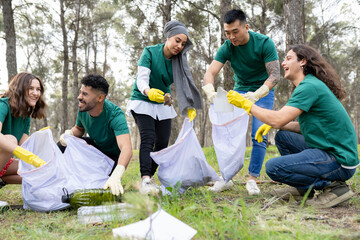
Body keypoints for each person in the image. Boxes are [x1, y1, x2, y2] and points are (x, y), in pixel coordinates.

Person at [227, 44, 359, 208]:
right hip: (330, 150)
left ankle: (334, 187)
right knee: (282, 136)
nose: (283, 63)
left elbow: (278, 119)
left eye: (288, 58)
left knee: (274, 168)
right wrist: (278, 126)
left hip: (339, 160)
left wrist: (247, 105)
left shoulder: (309, 87)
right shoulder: (308, 85)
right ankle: (303, 189)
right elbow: (306, 128)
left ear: (302, 61)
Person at [202, 9, 280, 194]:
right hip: (239, 90)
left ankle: (252, 179)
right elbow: (210, 72)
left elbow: (276, 74)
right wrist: (209, 90)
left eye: (235, 31)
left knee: (258, 134)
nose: (231, 37)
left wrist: (258, 93)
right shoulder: (228, 46)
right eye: (227, 33)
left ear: (246, 27)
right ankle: (225, 177)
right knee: (223, 129)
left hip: (262, 92)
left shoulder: (264, 43)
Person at [126, 20, 203, 194]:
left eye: (183, 43)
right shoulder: (150, 52)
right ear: (168, 37)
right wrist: (148, 91)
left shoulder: (179, 61)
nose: (179, 46)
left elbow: (184, 83)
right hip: (143, 99)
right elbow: (141, 78)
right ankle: (145, 178)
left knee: (162, 141)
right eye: (177, 40)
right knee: (148, 137)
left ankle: (149, 179)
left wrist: (189, 105)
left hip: (162, 102)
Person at [58, 74, 132, 196]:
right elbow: (79, 129)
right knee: (63, 145)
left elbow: (127, 148)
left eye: (85, 94)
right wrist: (70, 133)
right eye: (80, 92)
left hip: (111, 159)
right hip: (95, 151)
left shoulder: (115, 114)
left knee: (97, 185)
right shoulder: (83, 108)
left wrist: (117, 174)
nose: (79, 97)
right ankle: (58, 179)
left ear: (100, 98)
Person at [0, 72, 47, 189]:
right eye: (30, 88)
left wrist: (43, 161)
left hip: (2, 161)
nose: (35, 93)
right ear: (20, 89)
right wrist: (18, 151)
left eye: (38, 89)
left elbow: (25, 146)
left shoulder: (26, 115)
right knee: (11, 139)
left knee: (37, 173)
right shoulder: (3, 104)